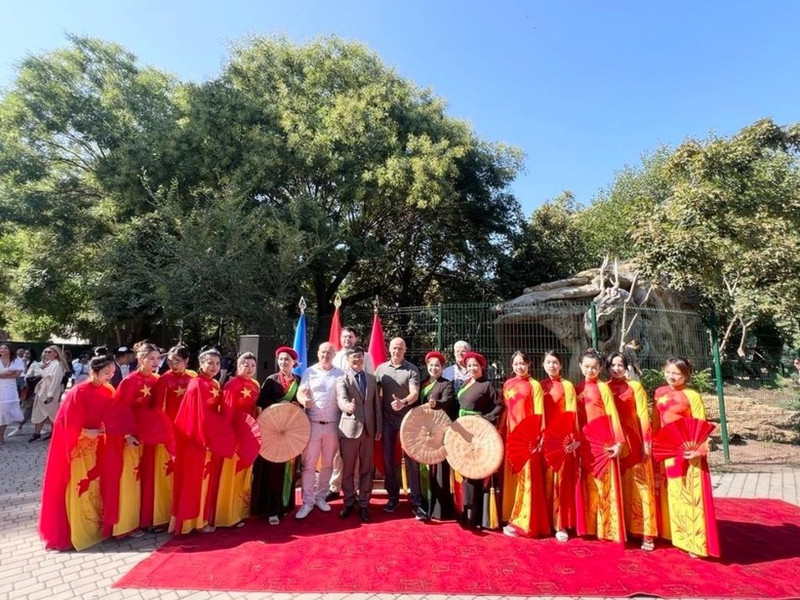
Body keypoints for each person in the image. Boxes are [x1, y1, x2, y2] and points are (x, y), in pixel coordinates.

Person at [38, 354, 136, 550]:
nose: (110, 376)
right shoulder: (78, 392)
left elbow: (113, 417)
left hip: (98, 447)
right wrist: (84, 433)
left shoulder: (108, 390)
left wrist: (124, 435)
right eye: (106, 372)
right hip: (78, 448)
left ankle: (94, 528)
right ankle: (76, 532)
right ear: (94, 372)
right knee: (79, 486)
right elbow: (63, 422)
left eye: (113, 372)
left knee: (95, 486)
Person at [652, 357, 720, 558]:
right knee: (669, 492)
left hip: (687, 452)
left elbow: (701, 424)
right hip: (666, 451)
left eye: (677, 374)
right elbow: (656, 423)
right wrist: (653, 445)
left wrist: (699, 450)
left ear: (686, 375)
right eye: (669, 372)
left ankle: (695, 542)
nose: (671, 377)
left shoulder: (692, 396)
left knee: (689, 494)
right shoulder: (659, 393)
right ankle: (673, 533)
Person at [171, 348, 235, 534]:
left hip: (210, 439)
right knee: (195, 481)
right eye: (210, 363)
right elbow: (193, 416)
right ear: (201, 364)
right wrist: (203, 440)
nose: (214, 366)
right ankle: (192, 524)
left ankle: (203, 519)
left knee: (205, 481)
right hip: (196, 441)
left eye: (217, 363)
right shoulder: (197, 384)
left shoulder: (214, 383)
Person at [114, 341, 170, 533]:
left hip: (150, 438)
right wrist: (127, 434)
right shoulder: (130, 381)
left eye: (157, 359)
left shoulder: (157, 380)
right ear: (140, 359)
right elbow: (120, 409)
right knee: (131, 478)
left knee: (148, 478)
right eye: (151, 358)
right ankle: (128, 522)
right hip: (132, 437)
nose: (155, 362)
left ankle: (147, 518)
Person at [606, 351, 657, 551]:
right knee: (619, 486)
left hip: (634, 442)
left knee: (641, 487)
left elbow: (643, 415)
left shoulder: (635, 387)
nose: (617, 368)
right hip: (614, 445)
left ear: (626, 367)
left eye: (621, 365)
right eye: (613, 365)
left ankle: (647, 533)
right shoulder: (605, 388)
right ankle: (621, 528)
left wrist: (646, 441)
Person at [575, 348, 626, 546]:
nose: (590, 370)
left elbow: (613, 414)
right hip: (585, 442)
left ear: (600, 368)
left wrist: (618, 441)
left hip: (604, 442)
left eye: (594, 367)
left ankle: (608, 527)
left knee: (605, 483)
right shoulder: (577, 388)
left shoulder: (603, 388)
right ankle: (589, 525)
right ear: (580, 366)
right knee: (588, 485)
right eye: (586, 366)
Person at [374, 337, 425, 519]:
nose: (396, 351)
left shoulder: (411, 369)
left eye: (400, 348)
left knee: (412, 461)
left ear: (405, 350)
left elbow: (414, 393)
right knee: (388, 460)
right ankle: (393, 498)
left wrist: (403, 402)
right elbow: (373, 394)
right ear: (389, 349)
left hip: (408, 421)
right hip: (387, 422)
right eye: (394, 348)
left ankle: (417, 503)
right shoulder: (381, 369)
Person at [502, 351, 550, 538]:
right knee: (511, 477)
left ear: (529, 364)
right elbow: (507, 411)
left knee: (527, 479)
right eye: (516, 363)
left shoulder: (534, 386)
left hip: (528, 440)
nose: (519, 367)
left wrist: (539, 436)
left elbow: (540, 413)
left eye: (523, 363)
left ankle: (524, 521)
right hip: (511, 437)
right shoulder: (507, 384)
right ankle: (509, 514)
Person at [454, 351, 504, 529]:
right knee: (464, 470)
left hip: (477, 432)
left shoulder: (487, 385)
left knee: (474, 472)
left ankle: (474, 516)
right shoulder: (467, 383)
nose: (472, 368)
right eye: (469, 366)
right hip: (463, 430)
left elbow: (499, 406)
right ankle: (464, 510)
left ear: (482, 367)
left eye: (475, 365)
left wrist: (486, 418)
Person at [252, 346, 301, 524]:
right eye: (280, 359)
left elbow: (302, 404)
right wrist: (282, 406)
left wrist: (298, 405)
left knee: (288, 468)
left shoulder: (299, 381)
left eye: (287, 359)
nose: (283, 362)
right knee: (272, 469)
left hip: (291, 432)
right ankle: (271, 508)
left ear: (294, 362)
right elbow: (262, 403)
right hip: (272, 432)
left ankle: (285, 505)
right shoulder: (271, 381)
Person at [295, 342, 343, 519]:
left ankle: (321, 497)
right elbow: (301, 392)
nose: (325, 355)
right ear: (318, 353)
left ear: (334, 354)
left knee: (328, 463)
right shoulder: (310, 372)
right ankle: (307, 502)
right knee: (309, 464)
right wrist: (303, 400)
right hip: (313, 423)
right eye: (323, 352)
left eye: (329, 352)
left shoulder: (340, 374)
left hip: (332, 424)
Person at [328, 326, 374, 501]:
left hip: (361, 413)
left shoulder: (365, 356)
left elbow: (371, 380)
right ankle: (334, 486)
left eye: (351, 337)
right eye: (344, 337)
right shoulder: (337, 355)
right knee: (340, 456)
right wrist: (345, 405)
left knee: (361, 461)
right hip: (339, 410)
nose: (347, 340)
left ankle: (356, 490)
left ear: (356, 339)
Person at [336, 346, 382, 523]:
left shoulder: (371, 379)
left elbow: (376, 406)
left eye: (360, 357)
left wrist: (378, 428)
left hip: (369, 432)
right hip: (349, 430)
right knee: (348, 469)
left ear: (364, 359)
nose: (357, 360)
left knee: (366, 469)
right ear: (348, 360)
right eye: (354, 358)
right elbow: (341, 398)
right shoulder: (342, 380)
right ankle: (348, 502)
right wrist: (347, 407)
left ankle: (364, 503)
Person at [215, 352, 261, 528]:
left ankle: (242, 511)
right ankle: (227, 515)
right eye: (245, 365)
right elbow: (225, 414)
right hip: (234, 434)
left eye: (252, 366)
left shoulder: (255, 385)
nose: (249, 369)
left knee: (246, 472)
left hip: (249, 434)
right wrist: (227, 437)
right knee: (232, 472)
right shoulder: (231, 385)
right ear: (238, 366)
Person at [540, 349, 581, 543]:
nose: (552, 366)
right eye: (548, 362)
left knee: (560, 482)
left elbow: (572, 412)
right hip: (544, 439)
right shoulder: (540, 386)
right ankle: (545, 520)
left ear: (561, 365)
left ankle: (561, 523)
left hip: (562, 440)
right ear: (543, 365)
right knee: (545, 480)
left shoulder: (567, 386)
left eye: (555, 362)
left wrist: (572, 436)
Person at [419, 351, 456, 520]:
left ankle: (440, 509)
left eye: (437, 366)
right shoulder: (423, 383)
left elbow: (448, 401)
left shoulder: (446, 384)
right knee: (425, 466)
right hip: (424, 430)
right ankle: (424, 503)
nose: (434, 368)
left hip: (440, 431)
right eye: (431, 365)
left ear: (442, 368)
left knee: (440, 468)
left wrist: (436, 404)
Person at [29, 345, 68, 442]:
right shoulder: (49, 363)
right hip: (42, 390)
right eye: (45, 352)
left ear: (56, 353)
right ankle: (37, 433)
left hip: (50, 391)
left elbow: (56, 381)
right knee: (38, 410)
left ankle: (56, 433)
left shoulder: (58, 365)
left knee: (52, 413)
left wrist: (51, 394)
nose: (47, 353)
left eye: (49, 352)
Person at [0, 343, 26, 444]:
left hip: (10, 388)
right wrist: (8, 373)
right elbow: (12, 373)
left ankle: (1, 435)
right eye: (1, 348)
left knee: (5, 411)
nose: (2, 350)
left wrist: (3, 375)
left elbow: (17, 374)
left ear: (10, 350)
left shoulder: (16, 360)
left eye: (5, 348)